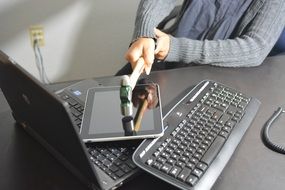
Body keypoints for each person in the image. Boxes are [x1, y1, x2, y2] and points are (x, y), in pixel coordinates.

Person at [117, 0, 285, 75]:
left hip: (219, 73)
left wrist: (174, 48)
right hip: (164, 57)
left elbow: (255, 48)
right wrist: (145, 32)